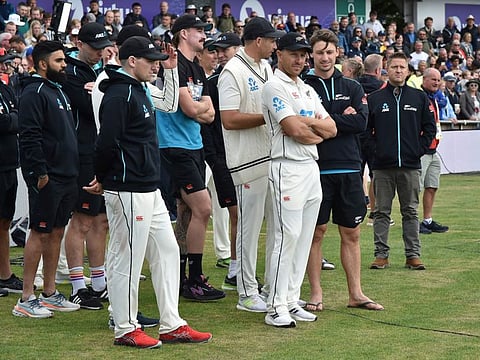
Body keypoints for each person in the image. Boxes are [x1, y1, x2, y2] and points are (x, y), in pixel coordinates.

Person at [86, 35, 212, 348]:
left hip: (146, 185)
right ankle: (125, 327)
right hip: (127, 185)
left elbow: (169, 105)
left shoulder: (138, 87)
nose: (155, 64)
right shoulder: (117, 92)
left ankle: (172, 324)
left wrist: (171, 70)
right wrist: (102, 176)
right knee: (127, 257)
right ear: (132, 61)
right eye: (151, 60)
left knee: (168, 250)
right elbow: (106, 141)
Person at [303, 29, 383, 312]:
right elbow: (302, 124)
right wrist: (339, 120)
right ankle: (315, 294)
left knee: (352, 233)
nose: (324, 57)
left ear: (338, 53)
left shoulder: (352, 86)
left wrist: (322, 122)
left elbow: (360, 123)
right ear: (311, 54)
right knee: (316, 233)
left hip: (349, 168)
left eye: (329, 52)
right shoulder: (302, 85)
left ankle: (356, 294)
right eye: (319, 52)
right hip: (314, 168)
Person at [262, 32, 336, 328]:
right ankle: (275, 305)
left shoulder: (306, 89)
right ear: (279, 53)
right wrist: (310, 129)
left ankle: (292, 300)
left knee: (305, 238)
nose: (300, 59)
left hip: (310, 168)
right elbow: (294, 129)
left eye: (304, 55)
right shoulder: (273, 86)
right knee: (286, 237)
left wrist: (309, 126)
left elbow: (331, 128)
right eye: (294, 53)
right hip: (286, 167)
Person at [218, 17, 283, 312]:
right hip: (246, 161)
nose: (274, 44)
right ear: (258, 41)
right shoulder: (231, 71)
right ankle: (246, 291)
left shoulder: (266, 68)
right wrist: (267, 116)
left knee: (276, 227)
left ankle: (271, 287)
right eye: (271, 40)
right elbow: (229, 119)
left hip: (271, 157)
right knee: (249, 228)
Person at [157, 14, 224, 301]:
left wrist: (199, 110)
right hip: (175, 147)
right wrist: (199, 110)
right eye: (199, 30)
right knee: (203, 208)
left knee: (187, 213)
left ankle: (182, 276)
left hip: (193, 145)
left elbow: (208, 112)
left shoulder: (197, 69)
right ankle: (194, 277)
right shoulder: (173, 64)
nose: (204, 35)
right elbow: (189, 109)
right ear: (183, 33)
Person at [13, 40, 81, 318]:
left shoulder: (58, 90)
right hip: (47, 176)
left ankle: (50, 292)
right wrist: (40, 172)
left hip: (66, 174)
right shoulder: (34, 92)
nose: (65, 65)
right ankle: (26, 298)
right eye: (59, 61)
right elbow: (29, 135)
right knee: (39, 233)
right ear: (42, 64)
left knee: (56, 232)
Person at [368, 52, 436, 271]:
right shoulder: (375, 98)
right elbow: (365, 131)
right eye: (394, 66)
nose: (398, 70)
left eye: (402, 67)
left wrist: (417, 151)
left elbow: (430, 128)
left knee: (410, 212)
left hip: (410, 166)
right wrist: (375, 153)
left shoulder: (419, 97)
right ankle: (381, 255)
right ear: (386, 69)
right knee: (381, 212)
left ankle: (413, 255)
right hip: (382, 167)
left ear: (408, 71)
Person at [61, 22, 112, 310]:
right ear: (79, 44)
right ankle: (78, 286)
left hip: (99, 151)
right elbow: (85, 105)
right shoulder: (69, 72)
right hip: (82, 153)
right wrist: (96, 93)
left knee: (100, 221)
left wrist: (99, 88)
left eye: (101, 46)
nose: (98, 52)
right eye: (94, 47)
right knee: (81, 220)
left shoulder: (98, 71)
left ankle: (100, 281)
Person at [202, 33, 242, 289]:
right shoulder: (213, 82)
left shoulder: (254, 78)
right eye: (218, 50)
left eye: (226, 48)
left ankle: (239, 269)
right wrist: (215, 157)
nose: (221, 53)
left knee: (244, 214)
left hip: (249, 155)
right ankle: (235, 270)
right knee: (236, 212)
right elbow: (209, 122)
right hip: (222, 157)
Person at [0, 50, 22, 296]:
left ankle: (4, 274)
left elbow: (16, 116)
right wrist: (13, 119)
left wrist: (12, 118)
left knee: (4, 221)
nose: (8, 69)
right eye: (4, 64)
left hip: (9, 162)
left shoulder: (6, 89)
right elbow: (5, 123)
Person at [418, 68, 450, 235]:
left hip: (433, 150)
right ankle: (413, 221)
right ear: (424, 79)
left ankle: (427, 220)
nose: (436, 83)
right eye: (433, 79)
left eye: (438, 80)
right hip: (423, 150)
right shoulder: (419, 98)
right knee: (416, 188)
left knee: (432, 186)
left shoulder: (434, 98)